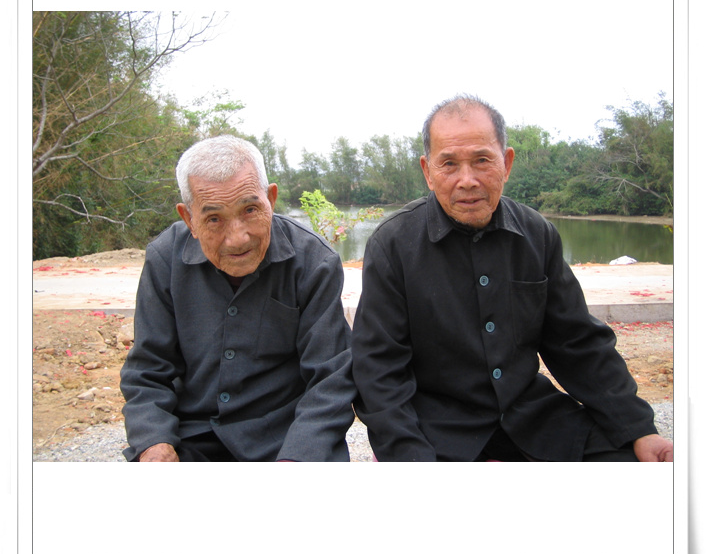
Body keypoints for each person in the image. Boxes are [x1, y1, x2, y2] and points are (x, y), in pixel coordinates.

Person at [351, 94, 674, 462]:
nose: (467, 180)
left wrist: (639, 428)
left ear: (506, 163)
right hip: (438, 430)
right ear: (428, 171)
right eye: (449, 164)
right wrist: (410, 458)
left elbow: (578, 343)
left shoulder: (537, 234)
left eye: (482, 160)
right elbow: (379, 370)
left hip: (532, 419)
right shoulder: (393, 244)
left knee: (633, 464)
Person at [120, 135, 355, 461]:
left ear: (271, 199)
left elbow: (331, 379)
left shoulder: (314, 261)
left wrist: (296, 458)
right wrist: (154, 442)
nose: (237, 238)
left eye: (250, 209)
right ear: (189, 219)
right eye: (214, 218)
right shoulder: (165, 260)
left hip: (285, 437)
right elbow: (148, 370)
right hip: (194, 436)